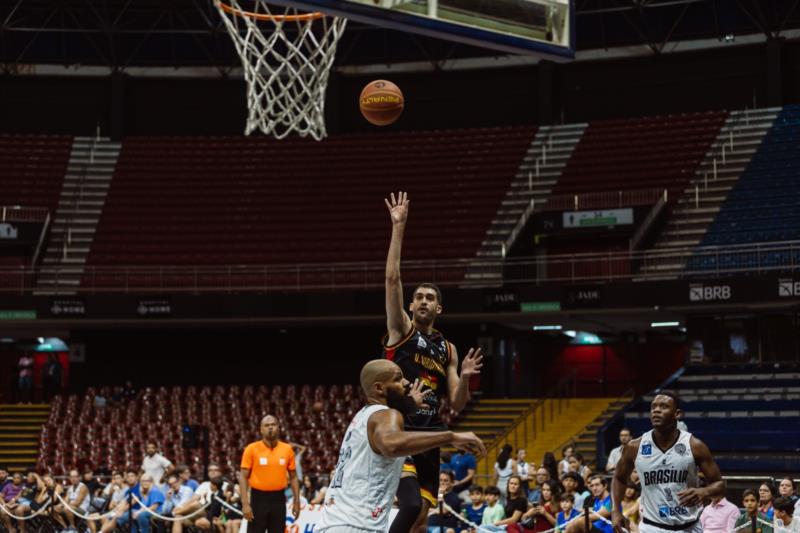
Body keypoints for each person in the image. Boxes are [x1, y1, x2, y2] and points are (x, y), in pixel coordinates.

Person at [382, 191, 484, 533]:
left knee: (422, 519)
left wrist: (466, 376)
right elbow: (392, 279)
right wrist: (399, 227)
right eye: (419, 297)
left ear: (439, 308)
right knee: (410, 506)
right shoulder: (401, 331)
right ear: (410, 306)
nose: (424, 301)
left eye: (430, 298)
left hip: (431, 434)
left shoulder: (448, 348)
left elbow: (455, 403)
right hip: (400, 430)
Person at [317, 359, 485, 533]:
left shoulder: (362, 418)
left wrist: (410, 405)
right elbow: (392, 444)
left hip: (333, 523)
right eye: (398, 379)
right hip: (356, 526)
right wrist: (450, 436)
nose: (406, 382)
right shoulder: (386, 414)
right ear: (379, 388)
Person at [611, 392, 725, 533]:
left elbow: (720, 485)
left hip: (689, 527)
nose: (656, 410)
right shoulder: (635, 447)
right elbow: (619, 477)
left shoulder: (695, 445)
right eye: (653, 407)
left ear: (677, 414)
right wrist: (616, 510)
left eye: (664, 406)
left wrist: (703, 491)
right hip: (652, 527)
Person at [240, 415, 300, 533]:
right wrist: (245, 504)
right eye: (267, 425)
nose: (270, 428)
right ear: (261, 429)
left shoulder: (287, 449)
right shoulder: (251, 449)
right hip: (258, 499)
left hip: (279, 499)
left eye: (273, 424)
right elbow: (243, 477)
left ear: (278, 427)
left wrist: (296, 501)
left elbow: (293, 477)